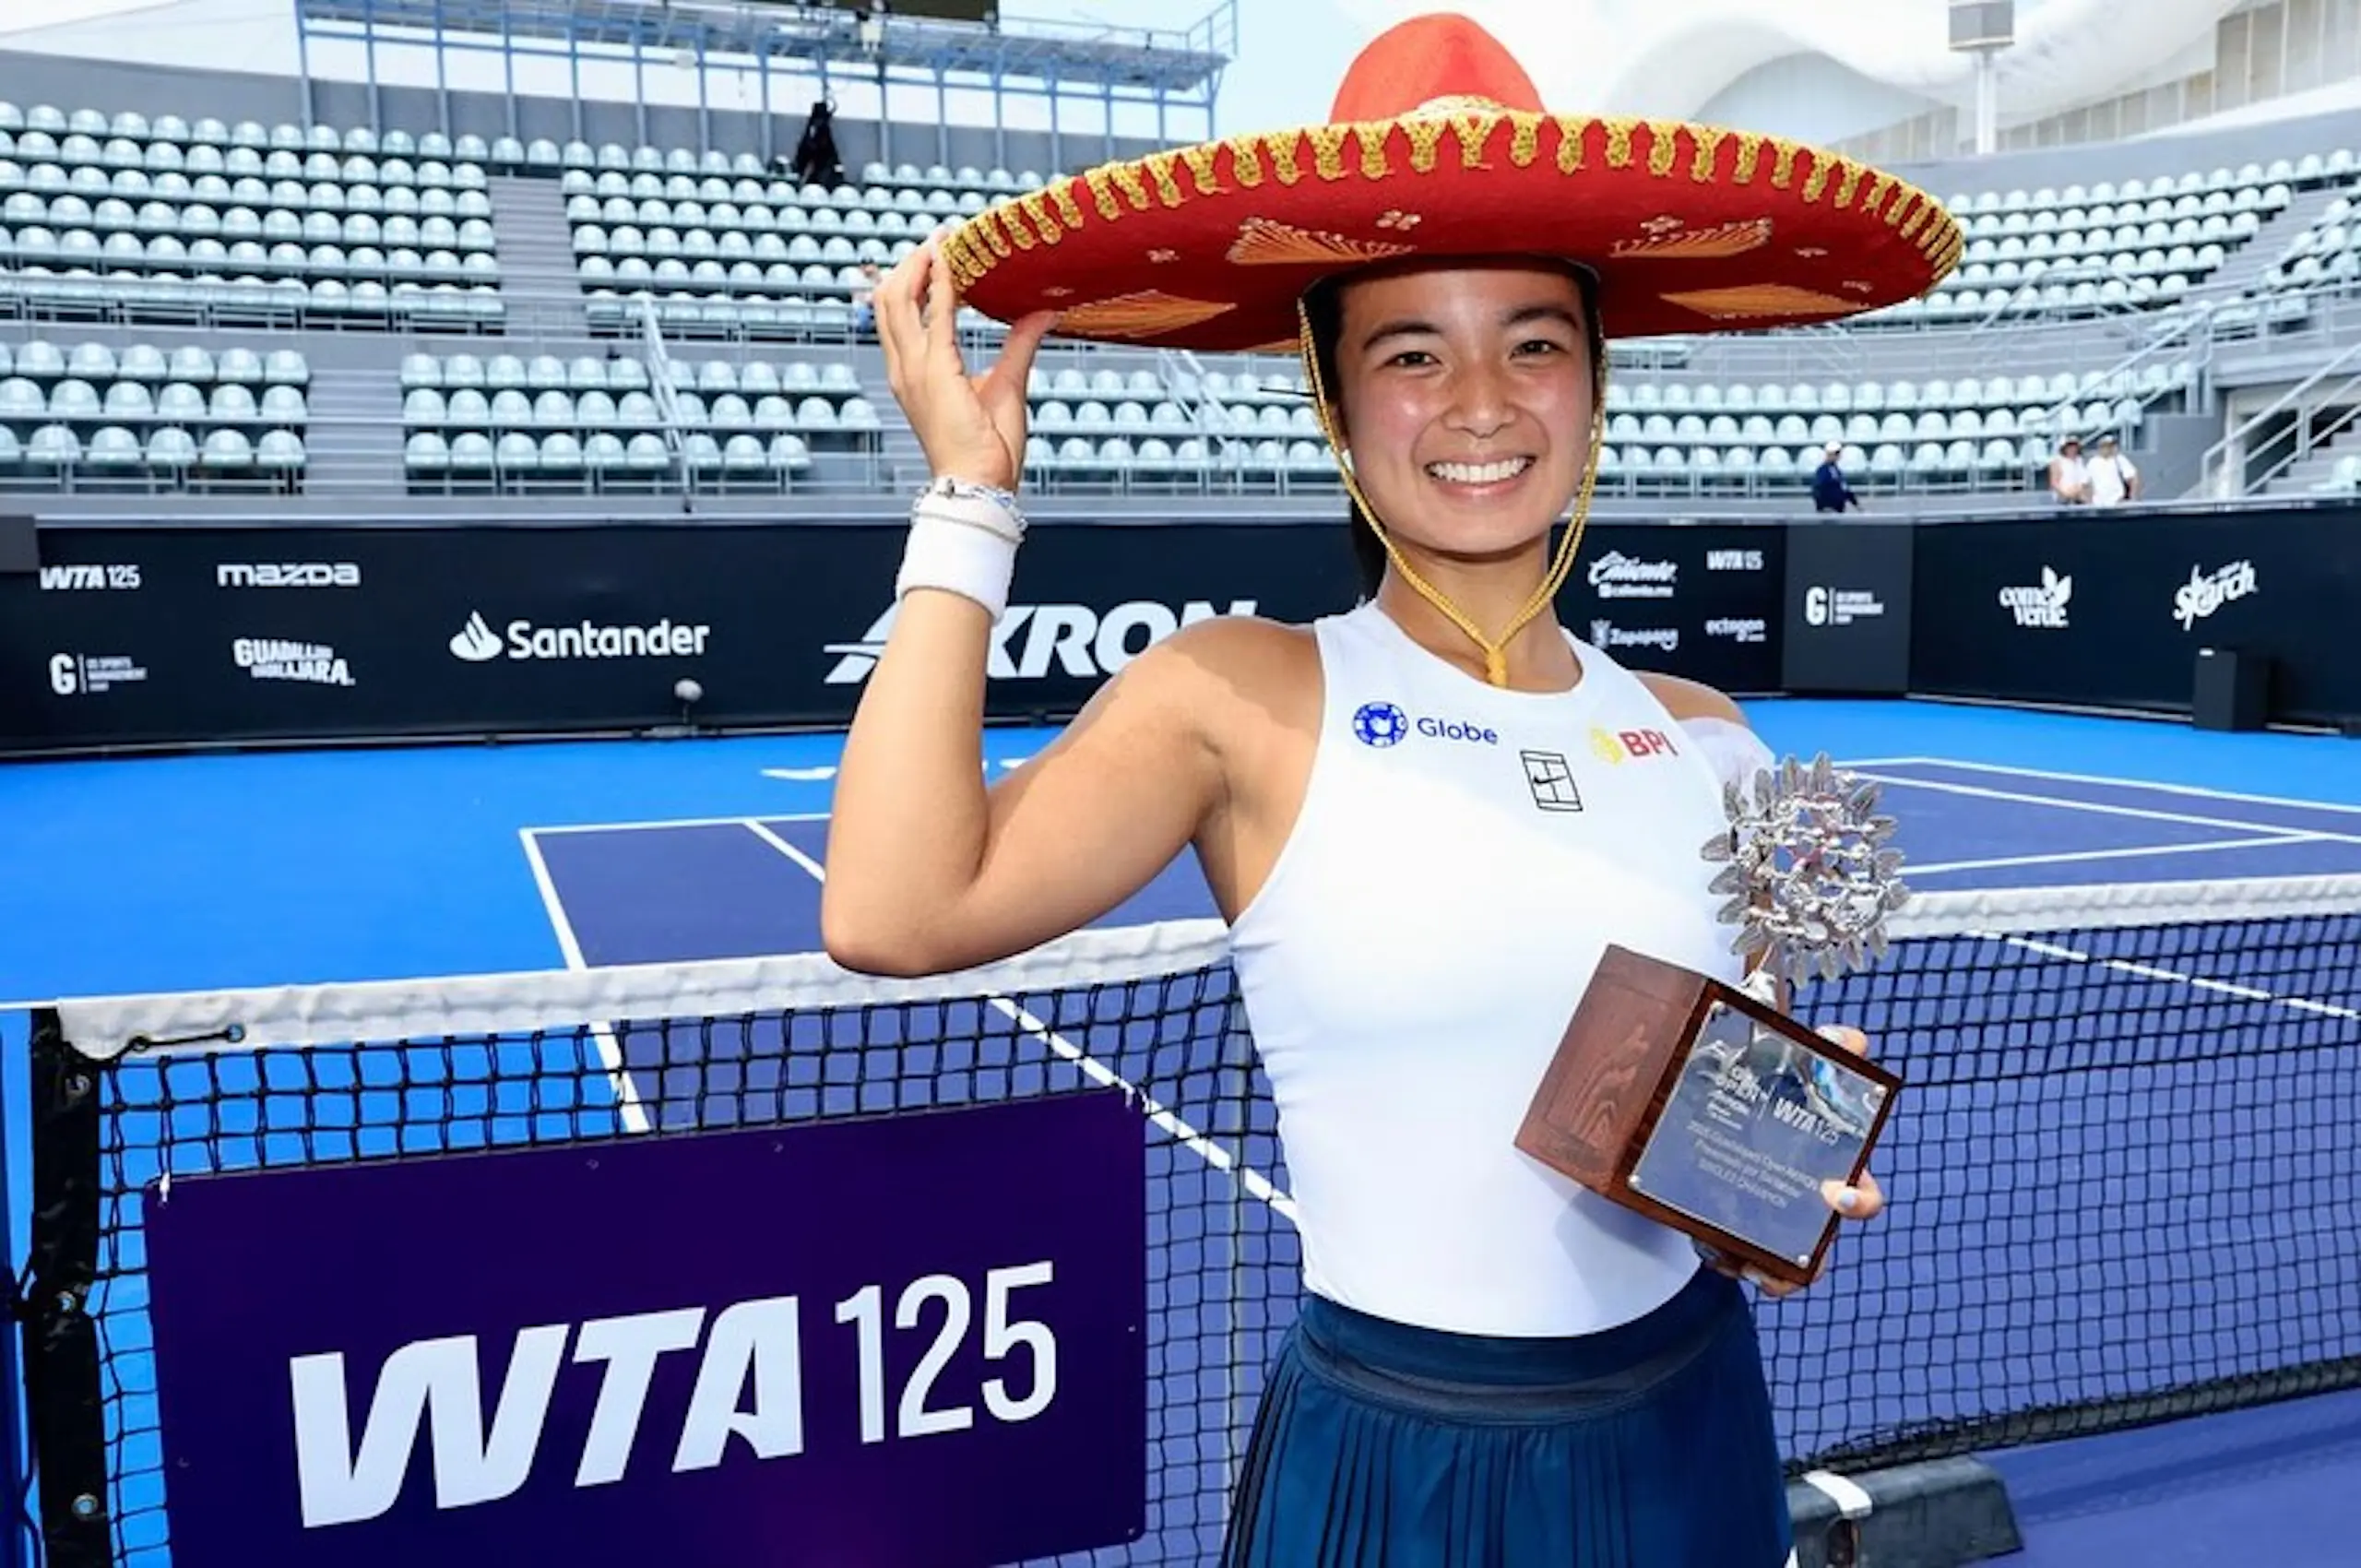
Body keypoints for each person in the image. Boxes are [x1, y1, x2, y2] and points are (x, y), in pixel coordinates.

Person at [822, 14, 1954, 1566]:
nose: (1482, 401)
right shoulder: (1235, 692)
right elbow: (890, 912)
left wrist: (1790, 1168)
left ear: (1597, 381)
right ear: (1335, 401)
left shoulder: (1724, 735)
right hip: (1403, 1460)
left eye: (1534, 342)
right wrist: (969, 498)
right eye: (1412, 353)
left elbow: (1815, 1003)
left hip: (1694, 1422)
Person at [2087, 433, 2140, 506]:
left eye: (2110, 446)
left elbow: (2133, 478)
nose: (2107, 448)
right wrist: (2089, 502)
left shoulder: (2120, 460)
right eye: (2105, 446)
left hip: (2118, 503)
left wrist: (2132, 498)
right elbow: (2088, 484)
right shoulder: (2092, 462)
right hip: (2098, 504)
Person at [1811, 439, 1861, 513]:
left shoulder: (1837, 471)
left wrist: (1856, 504)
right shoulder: (1822, 471)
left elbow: (1844, 489)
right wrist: (1823, 506)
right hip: (1827, 510)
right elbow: (1817, 489)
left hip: (1838, 509)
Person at [2047, 435, 2089, 505]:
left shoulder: (2080, 461)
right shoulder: (2058, 461)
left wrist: (2077, 491)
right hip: (2062, 499)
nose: (2072, 449)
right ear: (2064, 448)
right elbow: (2054, 483)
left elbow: (2084, 480)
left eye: (2075, 446)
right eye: (2069, 446)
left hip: (2078, 497)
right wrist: (2066, 494)